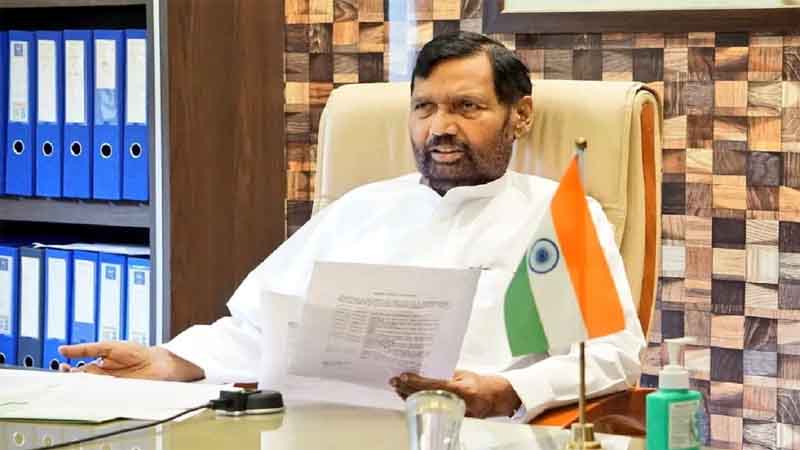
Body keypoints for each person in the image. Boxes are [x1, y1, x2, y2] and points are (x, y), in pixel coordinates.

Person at [60, 31, 646, 422]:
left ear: (520, 115)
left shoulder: (558, 217)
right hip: (319, 430)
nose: (440, 127)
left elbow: (614, 353)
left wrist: (509, 391)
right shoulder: (361, 208)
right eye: (424, 108)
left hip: (467, 434)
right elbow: (262, 329)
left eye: (467, 107)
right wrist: (170, 361)